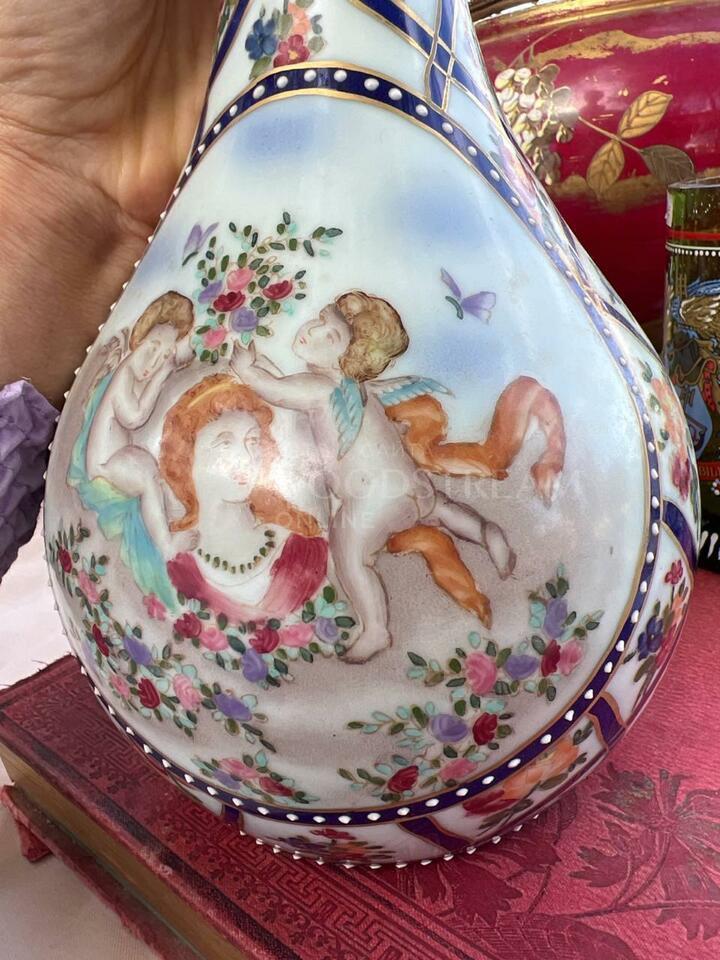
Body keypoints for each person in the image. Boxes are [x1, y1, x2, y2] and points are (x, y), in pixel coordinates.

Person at [0, 1, 221, 581]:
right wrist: (44, 152)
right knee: (152, 474)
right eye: (159, 345)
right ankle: (172, 543)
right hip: (108, 464)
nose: (156, 355)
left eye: (163, 348)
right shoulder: (131, 381)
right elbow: (136, 413)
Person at [231, 290, 564, 662]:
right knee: (437, 508)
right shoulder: (360, 390)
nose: (313, 331)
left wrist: (247, 369)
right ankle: (486, 533)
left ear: (349, 359)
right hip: (410, 484)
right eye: (321, 320)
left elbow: (275, 391)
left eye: (331, 335)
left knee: (350, 555)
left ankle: (375, 628)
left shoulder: (321, 387)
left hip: (371, 498)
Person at [160, 374, 328, 623]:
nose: (247, 457)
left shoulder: (302, 553)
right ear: (185, 457)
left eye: (253, 441)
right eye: (225, 443)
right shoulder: (175, 560)